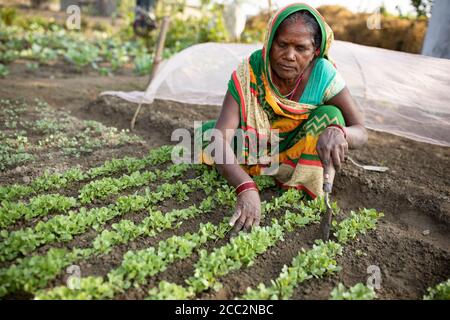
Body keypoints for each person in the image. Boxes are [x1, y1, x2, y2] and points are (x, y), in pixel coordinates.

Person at [198, 3, 367, 235]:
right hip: (252, 148)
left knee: (332, 117)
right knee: (208, 138)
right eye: (282, 44)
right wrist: (246, 187)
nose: (289, 55)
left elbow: (361, 131)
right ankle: (260, 171)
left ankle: (304, 183)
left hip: (293, 148)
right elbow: (221, 139)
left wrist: (341, 132)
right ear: (270, 42)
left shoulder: (323, 75)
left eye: (301, 48)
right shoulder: (250, 72)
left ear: (315, 51)